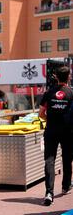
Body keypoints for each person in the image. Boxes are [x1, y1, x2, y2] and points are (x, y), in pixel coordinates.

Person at [39, 66, 73, 206]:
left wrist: (50, 120)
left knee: (49, 160)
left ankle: (49, 193)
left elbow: (41, 114)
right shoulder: (71, 93)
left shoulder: (48, 93)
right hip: (69, 132)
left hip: (51, 131)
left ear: (56, 77)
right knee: (67, 158)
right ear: (69, 77)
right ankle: (65, 186)